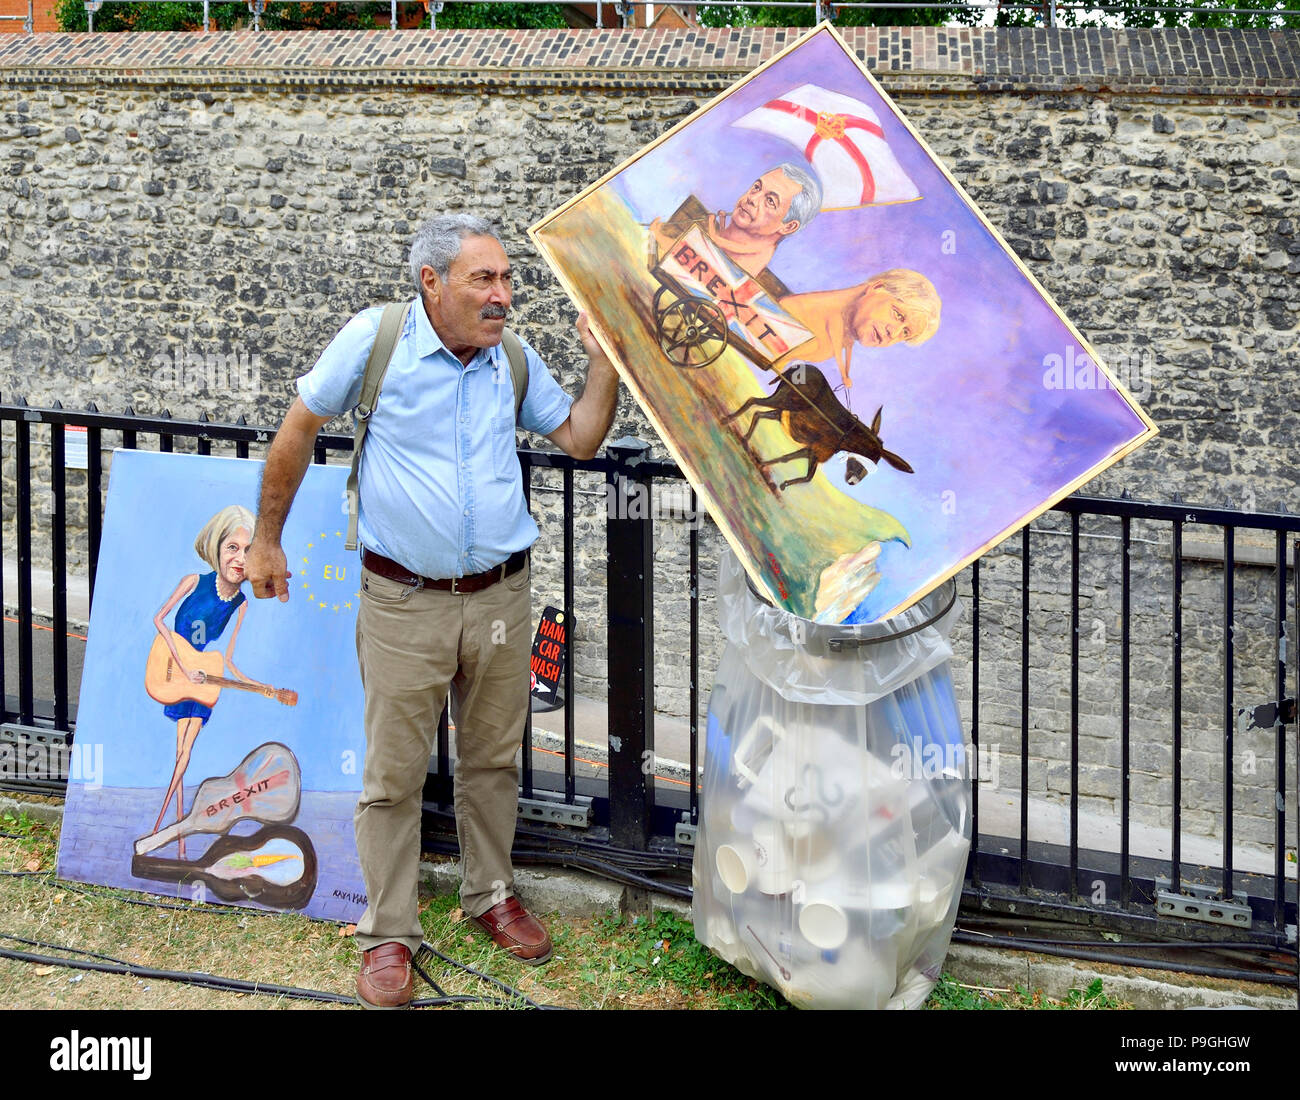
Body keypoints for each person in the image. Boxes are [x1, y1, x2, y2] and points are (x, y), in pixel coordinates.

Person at [244, 214, 619, 1009]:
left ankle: (491, 894)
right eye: (485, 279)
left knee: (492, 761)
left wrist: (603, 360)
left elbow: (583, 437)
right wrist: (266, 541)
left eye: (508, 280)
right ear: (431, 283)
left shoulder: (509, 360)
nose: (504, 297)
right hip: (403, 601)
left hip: (500, 599)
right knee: (393, 776)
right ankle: (389, 932)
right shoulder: (375, 342)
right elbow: (298, 429)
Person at [150, 505, 266, 858]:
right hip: (175, 667)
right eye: (232, 547)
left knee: (185, 754)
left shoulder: (241, 602)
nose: (239, 558)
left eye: (249, 550)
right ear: (216, 548)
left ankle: (174, 840)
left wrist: (257, 685)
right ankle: (163, 831)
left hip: (201, 680)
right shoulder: (193, 582)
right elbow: (160, 620)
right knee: (180, 754)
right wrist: (184, 667)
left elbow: (228, 659)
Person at [650, 162, 823, 280]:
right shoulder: (749, 231)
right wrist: (721, 224)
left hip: (717, 279)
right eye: (756, 188)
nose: (752, 199)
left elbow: (719, 244)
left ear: (788, 226)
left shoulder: (765, 248)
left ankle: (659, 239)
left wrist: (712, 228)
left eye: (770, 201)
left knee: (686, 250)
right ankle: (659, 240)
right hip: (711, 269)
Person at [776, 268, 942, 390]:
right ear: (877, 287)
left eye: (905, 333)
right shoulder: (801, 314)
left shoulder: (841, 337)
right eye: (898, 315)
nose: (894, 333)